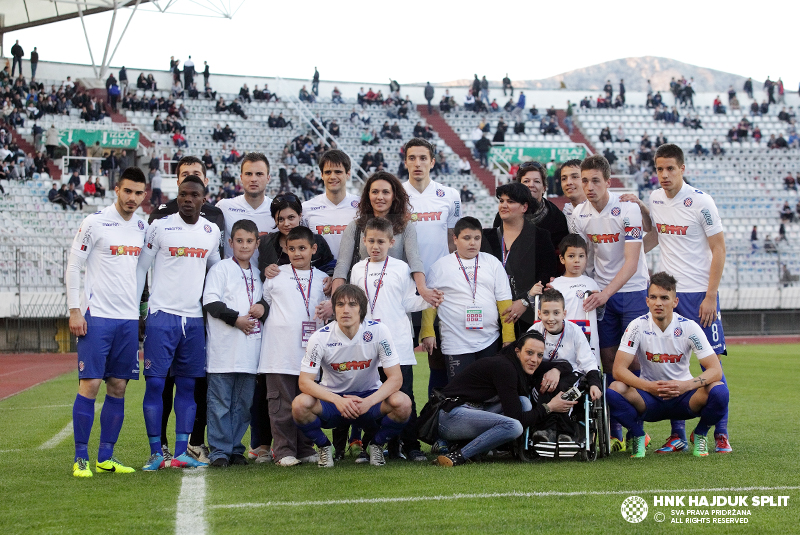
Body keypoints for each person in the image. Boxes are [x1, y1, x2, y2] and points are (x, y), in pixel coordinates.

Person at [626, 143, 731, 454]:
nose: (664, 174)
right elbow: (657, 235)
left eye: (670, 168)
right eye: (659, 169)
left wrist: (711, 295)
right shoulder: (656, 198)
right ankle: (677, 435)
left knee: (713, 365)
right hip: (669, 294)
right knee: (670, 363)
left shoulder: (701, 202)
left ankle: (720, 433)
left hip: (700, 293)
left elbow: (719, 249)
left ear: (682, 169)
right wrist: (641, 214)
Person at [66, 167, 148, 477]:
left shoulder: (143, 226)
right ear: (117, 189)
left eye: (138, 193)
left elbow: (141, 272)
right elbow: (74, 266)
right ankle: (81, 458)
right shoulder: (94, 222)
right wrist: (75, 310)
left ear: (144, 195)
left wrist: (141, 309)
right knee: (90, 385)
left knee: (118, 387)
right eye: (128, 191)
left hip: (127, 321)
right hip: (96, 317)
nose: (132, 198)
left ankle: (106, 458)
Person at [137, 176, 222, 470]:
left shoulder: (212, 232)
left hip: (194, 321)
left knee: (187, 388)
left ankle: (181, 452)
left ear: (203, 198)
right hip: (162, 317)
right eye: (183, 194)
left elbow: (216, 273)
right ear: (177, 197)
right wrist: (140, 311)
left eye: (194, 195)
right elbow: (140, 270)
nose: (188, 199)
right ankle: (155, 453)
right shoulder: (159, 227)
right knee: (156, 387)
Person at [570, 154, 650, 450]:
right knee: (607, 361)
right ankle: (614, 431)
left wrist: (606, 292)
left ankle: (638, 432)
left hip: (631, 292)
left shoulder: (627, 209)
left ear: (608, 181)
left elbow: (631, 263)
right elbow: (584, 257)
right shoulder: (580, 214)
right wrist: (585, 288)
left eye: (594, 181)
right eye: (584, 180)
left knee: (634, 362)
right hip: (601, 295)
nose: (588, 187)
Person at [606, 272, 729, 458]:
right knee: (614, 390)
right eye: (653, 297)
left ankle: (700, 433)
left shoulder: (689, 327)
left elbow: (715, 370)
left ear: (675, 302)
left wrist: (686, 385)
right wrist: (648, 387)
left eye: (664, 298)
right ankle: (639, 435)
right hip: (649, 398)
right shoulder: (636, 327)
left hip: (684, 397)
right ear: (647, 301)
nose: (658, 303)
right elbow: (618, 370)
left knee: (720, 391)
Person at [291, 284, 412, 467]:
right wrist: (337, 401)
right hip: (333, 403)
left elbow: (396, 378)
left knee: (403, 403)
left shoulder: (379, 331)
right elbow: (305, 382)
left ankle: (376, 445)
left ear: (362, 309)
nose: (345, 310)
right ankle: (324, 447)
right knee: (299, 405)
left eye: (352, 304)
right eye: (340, 304)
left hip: (369, 399)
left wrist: (369, 402)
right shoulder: (319, 337)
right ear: (334, 309)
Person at [348, 217, 432, 462]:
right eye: (371, 241)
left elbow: (408, 301)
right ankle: (374, 443)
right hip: (367, 344)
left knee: (405, 395)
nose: (375, 246)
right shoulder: (356, 269)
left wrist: (429, 299)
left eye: (381, 242)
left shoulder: (401, 268)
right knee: (371, 395)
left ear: (391, 242)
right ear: (364, 242)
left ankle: (410, 445)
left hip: (398, 344)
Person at [435, 330, 576, 466]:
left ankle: (469, 447)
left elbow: (567, 365)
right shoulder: (505, 368)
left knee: (524, 402)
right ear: (517, 351)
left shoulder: (522, 364)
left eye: (540, 355)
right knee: (514, 427)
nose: (535, 359)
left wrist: (555, 371)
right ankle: (461, 454)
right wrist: (549, 407)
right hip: (450, 417)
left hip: (473, 412)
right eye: (530, 353)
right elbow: (517, 419)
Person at [255, 225, 327, 467]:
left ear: (313, 249)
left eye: (303, 248)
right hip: (278, 353)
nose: (297, 253)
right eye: (292, 248)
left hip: (310, 355)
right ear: (285, 249)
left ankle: (306, 447)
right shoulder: (275, 275)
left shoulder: (323, 281)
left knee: (306, 403)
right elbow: (263, 303)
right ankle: (284, 450)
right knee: (281, 404)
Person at [202, 220, 267, 467]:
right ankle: (219, 450)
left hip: (250, 352)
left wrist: (263, 307)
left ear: (257, 244)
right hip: (223, 352)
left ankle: (235, 449)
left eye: (249, 241)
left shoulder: (258, 274)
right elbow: (211, 302)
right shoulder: (220, 269)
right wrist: (236, 320)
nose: (244, 245)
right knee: (220, 404)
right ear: (230, 243)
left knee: (242, 406)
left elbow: (265, 301)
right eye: (239, 241)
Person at [402, 138, 461, 393]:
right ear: (405, 162)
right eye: (412, 158)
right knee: (400, 356)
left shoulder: (449, 196)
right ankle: (404, 420)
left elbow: (452, 241)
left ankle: (437, 418)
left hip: (438, 287)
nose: (418, 163)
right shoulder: (396, 194)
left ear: (432, 162)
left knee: (440, 355)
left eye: (423, 158)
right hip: (404, 286)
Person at [422, 217, 514, 378]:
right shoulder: (440, 267)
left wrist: (509, 337)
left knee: (488, 391)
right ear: (455, 239)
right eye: (467, 238)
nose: (472, 243)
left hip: (490, 339)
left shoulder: (493, 263)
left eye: (477, 238)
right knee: (462, 393)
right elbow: (431, 303)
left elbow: (504, 302)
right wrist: (428, 331)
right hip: (456, 341)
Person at [331, 171, 437, 304]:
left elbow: (415, 260)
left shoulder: (405, 227)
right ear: (368, 195)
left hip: (396, 299)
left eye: (385, 192)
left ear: (394, 196)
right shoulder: (355, 227)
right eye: (375, 192)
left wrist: (422, 289)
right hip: (363, 300)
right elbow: (342, 265)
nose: (380, 197)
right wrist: (334, 300)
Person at [481, 182, 559, 336]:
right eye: (501, 201)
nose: (504, 205)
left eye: (510, 201)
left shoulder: (541, 237)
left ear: (524, 207)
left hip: (527, 317)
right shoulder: (486, 238)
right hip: (491, 314)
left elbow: (547, 274)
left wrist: (524, 301)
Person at [528, 289, 601, 442]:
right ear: (539, 314)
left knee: (562, 386)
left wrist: (595, 384)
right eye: (546, 313)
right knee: (545, 385)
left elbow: (588, 361)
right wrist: (552, 370)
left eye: (556, 313)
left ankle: (563, 431)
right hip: (542, 376)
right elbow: (525, 360)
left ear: (564, 313)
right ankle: (547, 430)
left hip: (572, 376)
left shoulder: (574, 331)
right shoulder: (534, 332)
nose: (551, 318)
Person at [215, 153, 277, 262]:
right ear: (241, 178)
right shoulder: (224, 207)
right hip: (232, 277)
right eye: (248, 174)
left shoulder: (278, 210)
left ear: (268, 178)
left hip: (267, 278)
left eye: (259, 174)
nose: (253, 179)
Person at [302, 150, 361, 263]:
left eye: (338, 172)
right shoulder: (306, 208)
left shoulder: (362, 206)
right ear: (322, 175)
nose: (332, 177)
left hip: (353, 275)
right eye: (328, 172)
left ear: (348, 174)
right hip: (320, 275)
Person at [550, 234, 601, 363]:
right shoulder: (555, 284)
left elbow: (600, 316)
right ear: (562, 259)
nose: (577, 260)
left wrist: (600, 304)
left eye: (581, 256)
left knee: (589, 373)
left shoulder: (592, 284)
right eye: (571, 256)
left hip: (590, 341)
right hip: (564, 340)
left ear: (586, 258)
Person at [498, 161, 570, 252]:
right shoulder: (505, 214)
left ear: (544, 188)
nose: (531, 185)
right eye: (526, 181)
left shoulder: (556, 217)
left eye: (536, 181)